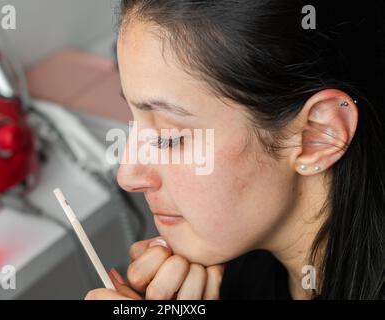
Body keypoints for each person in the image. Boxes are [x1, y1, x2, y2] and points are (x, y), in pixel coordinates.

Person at [86, 0, 385, 300]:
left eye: (169, 136)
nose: (127, 175)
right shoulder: (237, 267)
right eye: (133, 122)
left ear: (316, 136)